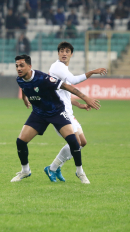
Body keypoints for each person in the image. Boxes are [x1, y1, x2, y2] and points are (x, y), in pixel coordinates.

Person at [11, 54, 101, 184]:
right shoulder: (19, 79)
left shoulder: (43, 78)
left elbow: (66, 86)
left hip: (56, 112)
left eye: (21, 65)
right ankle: (25, 171)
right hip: (38, 114)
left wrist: (85, 98)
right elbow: (24, 87)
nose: (18, 68)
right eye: (17, 66)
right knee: (20, 141)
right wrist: (25, 99)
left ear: (29, 66)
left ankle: (80, 172)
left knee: (73, 141)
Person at [43, 42, 107, 182]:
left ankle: (53, 167)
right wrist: (92, 72)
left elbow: (63, 94)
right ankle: (62, 169)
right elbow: (73, 80)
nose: (64, 53)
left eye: (67, 51)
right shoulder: (57, 66)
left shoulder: (63, 70)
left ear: (72, 54)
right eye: (61, 51)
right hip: (59, 114)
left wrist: (79, 105)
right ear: (58, 53)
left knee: (82, 142)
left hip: (69, 113)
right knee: (76, 142)